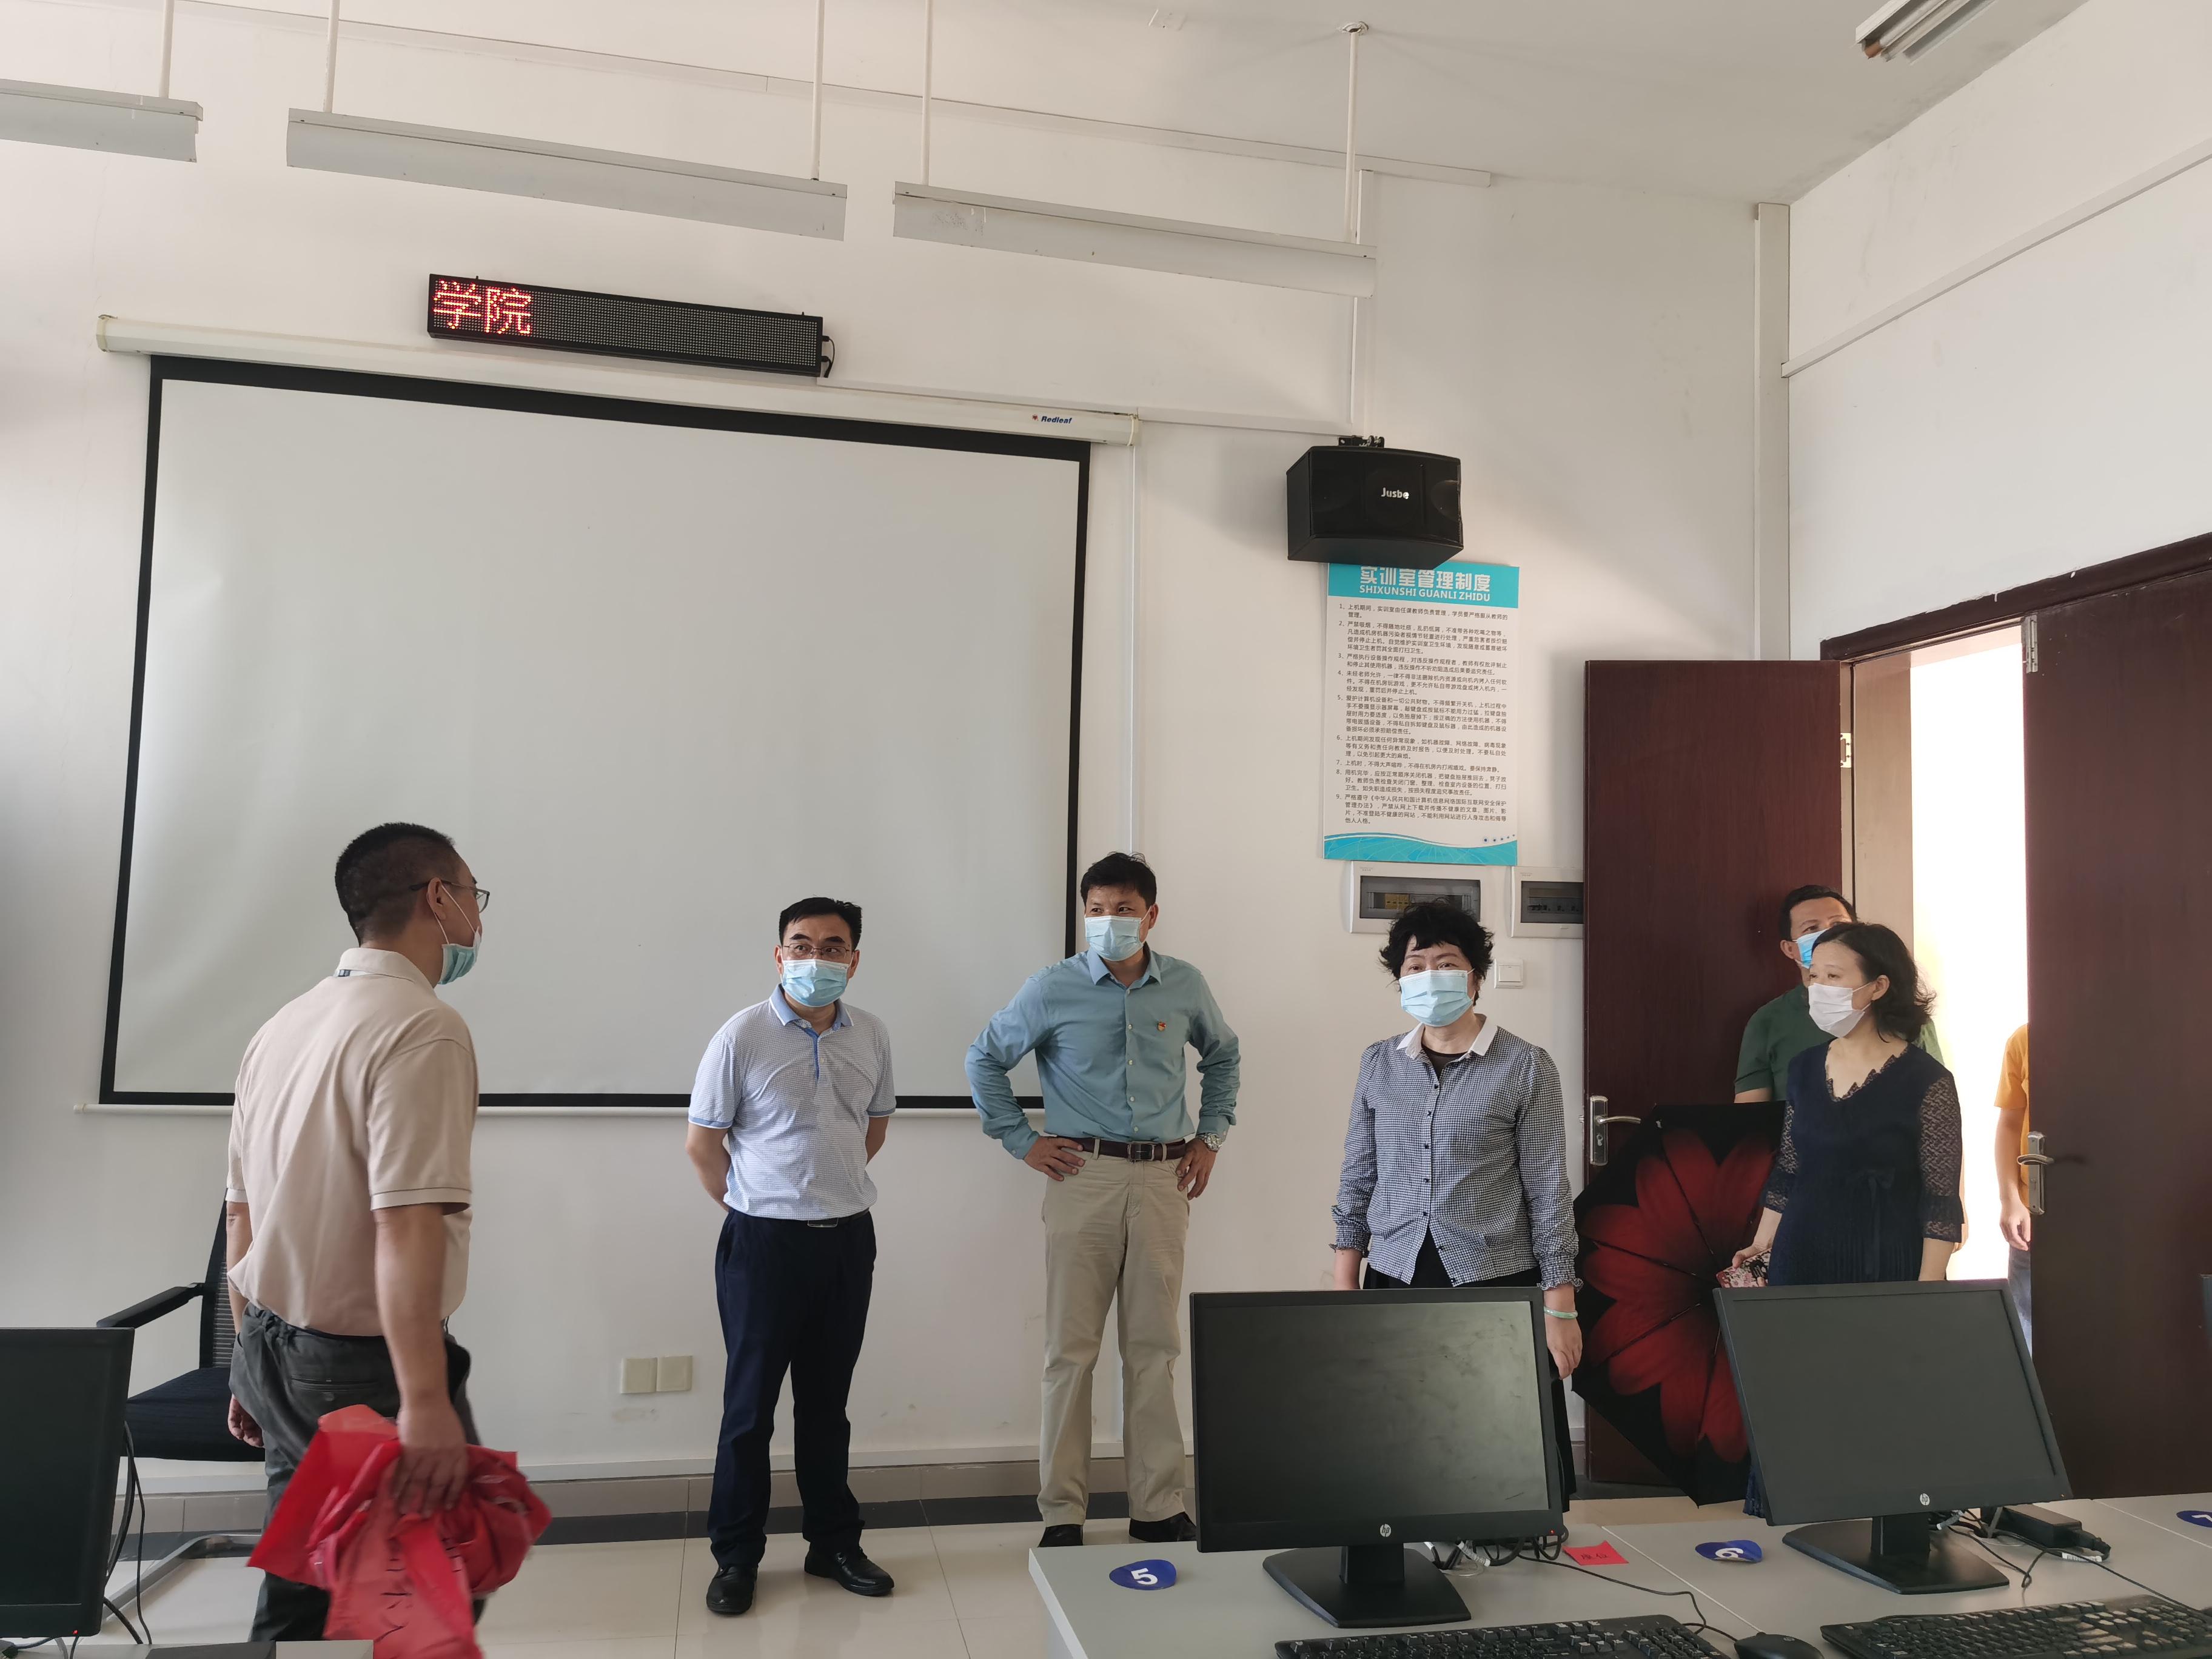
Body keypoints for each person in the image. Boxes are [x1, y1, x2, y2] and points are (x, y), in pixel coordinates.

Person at [224, 823, 487, 1641]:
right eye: (473, 895)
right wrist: (424, 1401)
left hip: (274, 1344)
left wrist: (248, 1363)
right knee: (429, 1589)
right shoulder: (422, 1026)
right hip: (358, 1368)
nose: (479, 916)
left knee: (309, 1584)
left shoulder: (284, 1024)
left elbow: (241, 1210)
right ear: (438, 898)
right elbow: (405, 1222)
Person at [967, 852, 1240, 1549]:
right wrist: (1021, 1140)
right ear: (1083, 914)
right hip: (1081, 1177)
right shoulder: (1051, 987)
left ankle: (1157, 1507)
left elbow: (1224, 1056)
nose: (1109, 921)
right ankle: (1063, 1512)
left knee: (1154, 1349)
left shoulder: (1184, 984)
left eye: (1123, 909)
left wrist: (1211, 1136)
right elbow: (984, 1059)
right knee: (1071, 1353)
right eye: (1097, 909)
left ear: (1151, 915)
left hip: (1163, 1179)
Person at [685, 897, 897, 1617]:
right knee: (749, 1411)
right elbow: (702, 1145)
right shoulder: (741, 1035)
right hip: (764, 1245)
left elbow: (871, 1130)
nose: (815, 958)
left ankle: (833, 1544)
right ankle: (736, 1556)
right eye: (801, 945)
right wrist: (759, 1206)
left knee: (827, 1406)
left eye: (832, 947)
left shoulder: (872, 1034)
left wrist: (825, 1193)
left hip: (847, 1240)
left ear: (853, 961)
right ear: (779, 956)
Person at [1330, 900, 1582, 1503]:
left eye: (1446, 963)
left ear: (1475, 975)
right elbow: (1358, 1176)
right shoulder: (1379, 1063)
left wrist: (1561, 1307)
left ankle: (1505, 1544)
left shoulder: (1526, 1066)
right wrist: (1343, 1285)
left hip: (1495, 1278)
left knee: (1500, 1446)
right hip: (1395, 1274)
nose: (1429, 976)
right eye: (1415, 965)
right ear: (1399, 980)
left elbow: (1548, 1190)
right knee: (1401, 1438)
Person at [1731, 922, 1964, 1515]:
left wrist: (1927, 1291)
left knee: (1877, 1403)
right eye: (1814, 976)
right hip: (1802, 1255)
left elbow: (1941, 1200)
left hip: (1884, 1262)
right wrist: (1760, 1244)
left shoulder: (1927, 1082)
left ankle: (1883, 1527)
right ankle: (1788, 1514)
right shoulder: (1805, 1068)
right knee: (1795, 1396)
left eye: (1834, 977)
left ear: (1878, 986)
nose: (1819, 989)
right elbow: (1790, 1169)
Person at [1735, 885, 1943, 1104]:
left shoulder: (1907, 1014)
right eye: (1811, 928)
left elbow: (1935, 1098)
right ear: (1789, 948)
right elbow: (1751, 1116)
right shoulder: (1769, 1023)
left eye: (1838, 925)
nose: (1828, 935)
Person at [1994, 1023, 2033, 1344]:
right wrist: (2010, 1200)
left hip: (2112, 1212)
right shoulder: (2025, 1039)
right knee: (2027, 1325)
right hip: (2036, 1210)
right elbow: (2010, 1123)